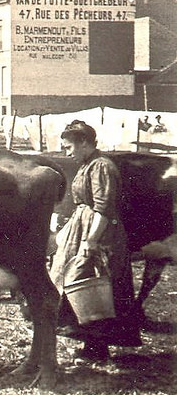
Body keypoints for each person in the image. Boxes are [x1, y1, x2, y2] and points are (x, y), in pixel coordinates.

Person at [49, 120, 142, 363]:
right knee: (79, 282)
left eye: (69, 146)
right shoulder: (86, 164)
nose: (66, 152)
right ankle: (90, 343)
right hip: (84, 225)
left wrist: (90, 240)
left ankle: (98, 347)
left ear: (84, 143)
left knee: (98, 284)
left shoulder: (101, 167)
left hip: (100, 232)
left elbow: (104, 209)